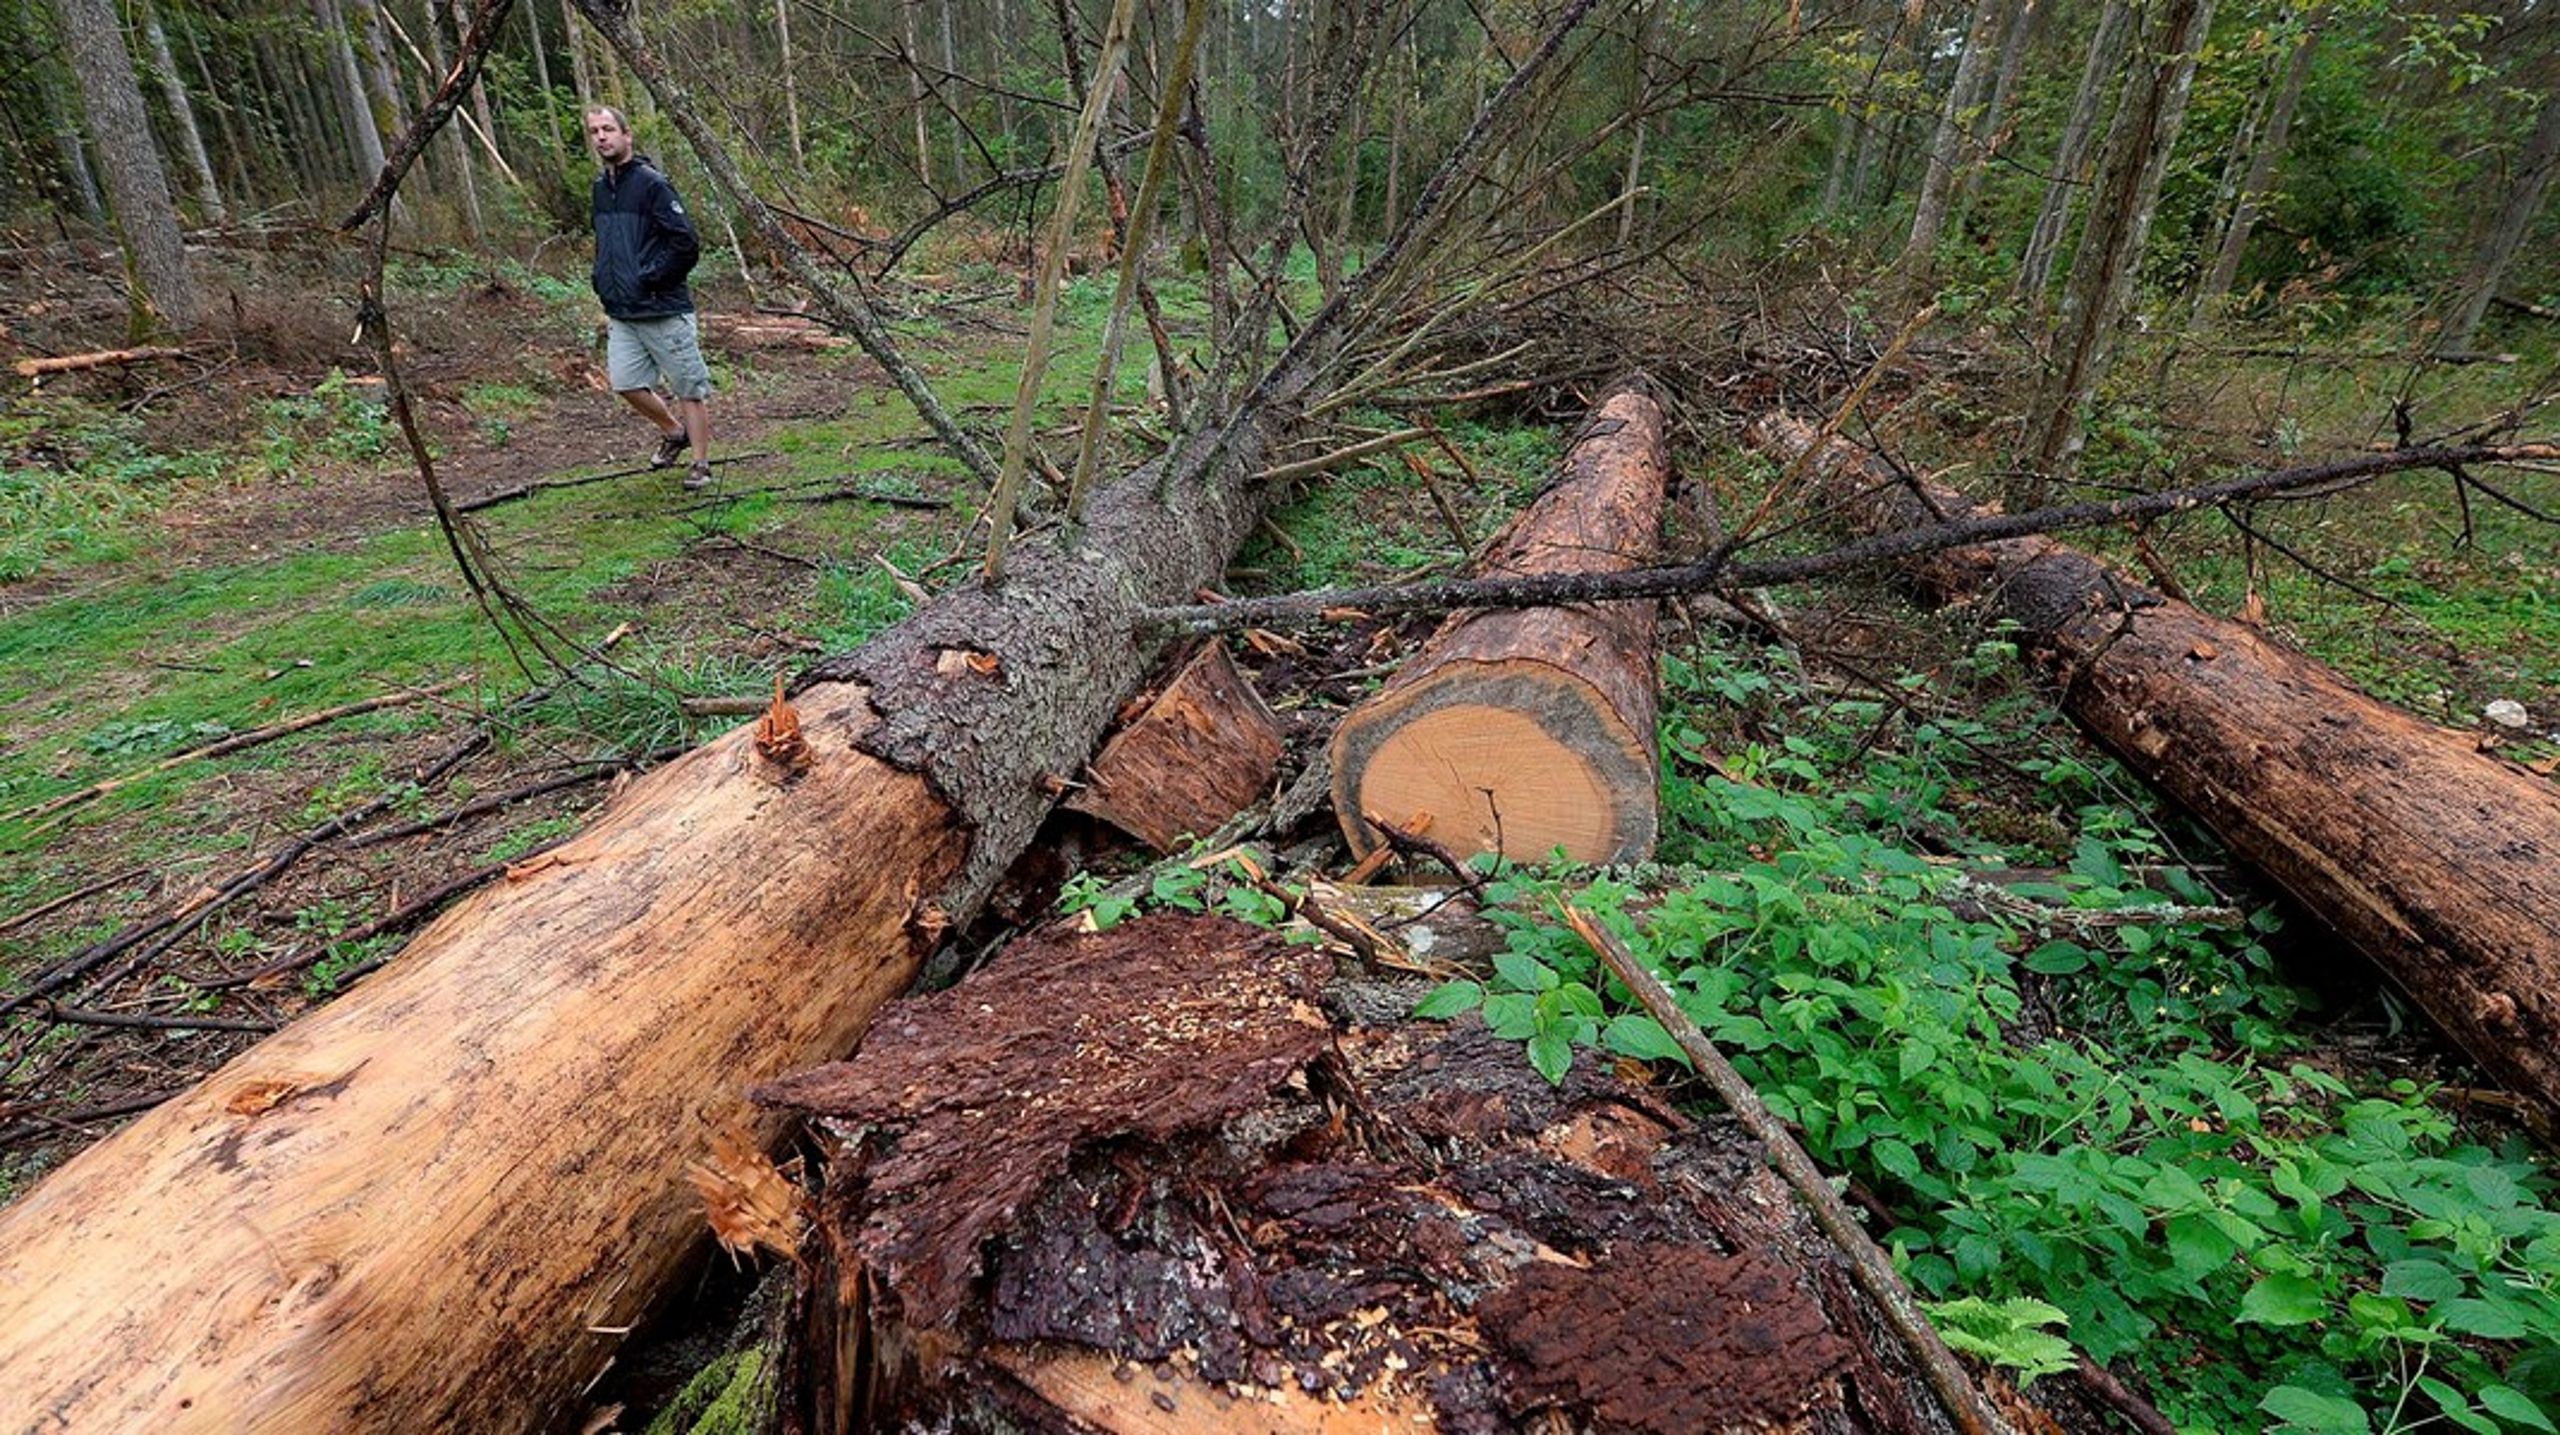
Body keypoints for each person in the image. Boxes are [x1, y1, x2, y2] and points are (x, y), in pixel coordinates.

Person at [585, 105, 716, 490]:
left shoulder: (652, 183)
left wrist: (650, 277)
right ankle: (675, 433)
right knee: (625, 383)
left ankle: (701, 464)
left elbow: (686, 244)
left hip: (662, 308)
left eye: (608, 129)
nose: (601, 137)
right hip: (622, 311)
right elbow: (606, 244)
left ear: (627, 136)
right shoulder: (600, 188)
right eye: (594, 131)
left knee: (688, 389)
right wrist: (603, 278)